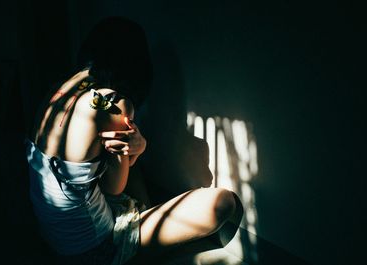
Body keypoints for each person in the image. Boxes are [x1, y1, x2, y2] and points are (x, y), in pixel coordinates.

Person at [25, 17, 243, 265]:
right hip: (94, 251)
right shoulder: (114, 104)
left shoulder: (58, 91)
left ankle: (144, 224)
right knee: (223, 202)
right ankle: (138, 247)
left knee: (130, 164)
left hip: (54, 239)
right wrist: (139, 148)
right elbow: (113, 188)